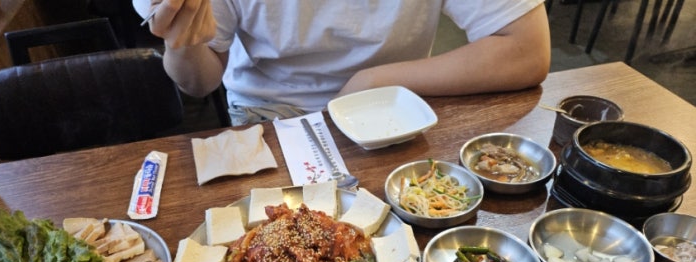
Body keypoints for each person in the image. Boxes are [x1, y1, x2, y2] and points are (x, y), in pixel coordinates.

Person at [142, 0, 551, 126]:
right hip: (270, 113)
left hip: (398, 104)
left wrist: (374, 81)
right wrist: (181, 43)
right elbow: (199, 82)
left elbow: (527, 50)